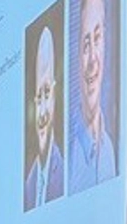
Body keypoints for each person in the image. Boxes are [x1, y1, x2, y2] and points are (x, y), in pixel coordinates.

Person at [68, 0, 117, 193]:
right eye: (86, 44)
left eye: (97, 38)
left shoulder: (110, 150)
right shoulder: (68, 152)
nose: (92, 61)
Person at [24, 25, 65, 212]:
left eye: (46, 94)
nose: (41, 114)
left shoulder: (65, 175)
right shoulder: (28, 186)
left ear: (55, 96)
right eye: (38, 98)